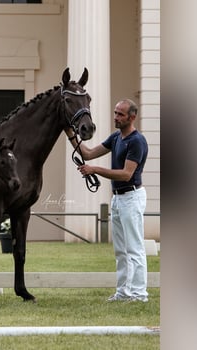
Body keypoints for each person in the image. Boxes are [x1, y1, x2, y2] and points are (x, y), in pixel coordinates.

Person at [66, 98, 149, 302]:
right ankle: (122, 293)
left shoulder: (137, 141)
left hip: (131, 196)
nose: (116, 117)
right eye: (115, 113)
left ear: (132, 117)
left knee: (134, 248)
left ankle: (139, 294)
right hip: (119, 198)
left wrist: (94, 170)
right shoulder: (116, 137)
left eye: (120, 114)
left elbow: (126, 174)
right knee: (121, 250)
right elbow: (88, 153)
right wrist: (69, 132)